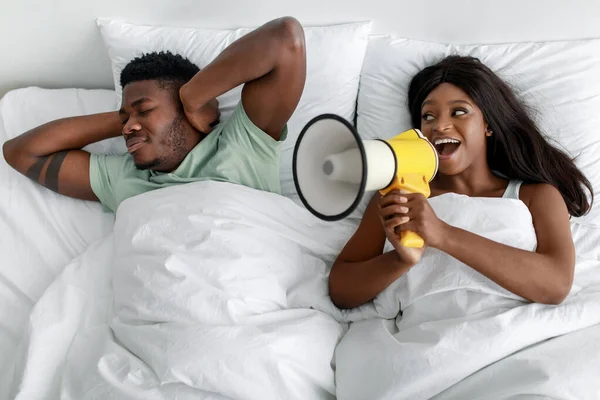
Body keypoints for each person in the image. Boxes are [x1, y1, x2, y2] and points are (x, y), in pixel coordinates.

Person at [329, 55, 593, 308]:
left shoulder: (537, 196)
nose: (440, 125)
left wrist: (442, 233)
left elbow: (556, 285)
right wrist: (400, 260)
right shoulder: (399, 195)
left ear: (487, 124)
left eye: (458, 112)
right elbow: (341, 290)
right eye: (428, 116)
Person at [3, 17, 306, 212]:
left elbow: (285, 39)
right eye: (125, 119)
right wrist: (127, 120)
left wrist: (193, 96)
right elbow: (19, 152)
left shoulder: (243, 144)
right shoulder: (124, 178)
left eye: (145, 109)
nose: (127, 128)